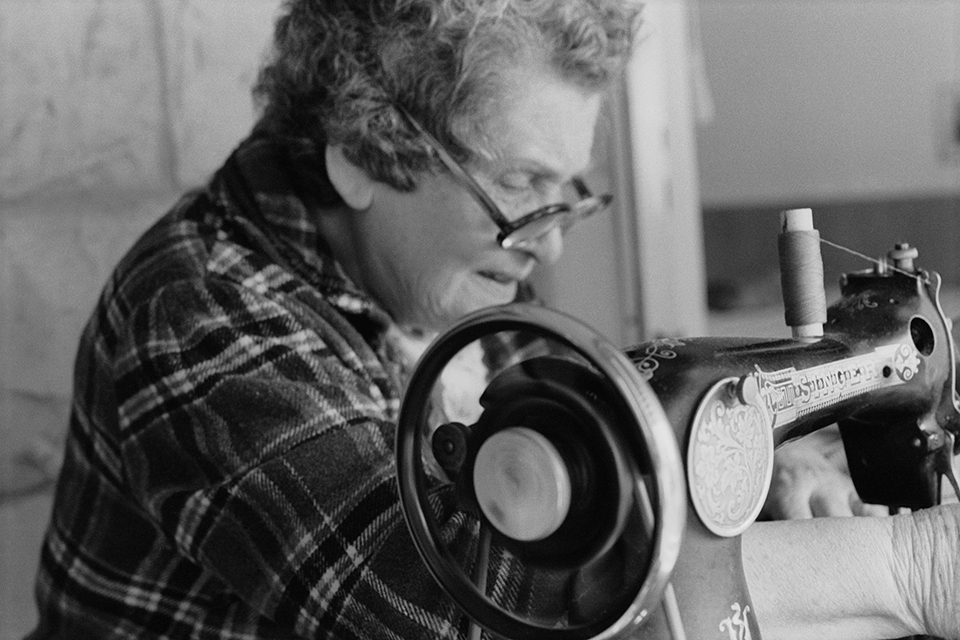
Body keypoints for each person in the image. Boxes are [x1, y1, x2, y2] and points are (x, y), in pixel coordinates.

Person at [26, 1, 960, 639]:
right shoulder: (196, 312)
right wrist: (909, 569)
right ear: (362, 152)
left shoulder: (460, 279)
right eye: (520, 187)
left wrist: (760, 465)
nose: (547, 251)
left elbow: (602, 479)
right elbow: (464, 607)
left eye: (566, 195)